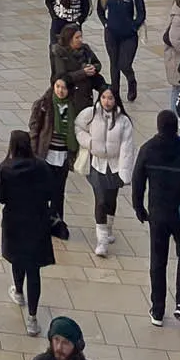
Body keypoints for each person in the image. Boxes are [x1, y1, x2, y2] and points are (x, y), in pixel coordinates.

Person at [133, 107, 180, 328]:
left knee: (158, 260)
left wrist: (139, 208)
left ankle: (157, 308)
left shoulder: (148, 149)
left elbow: (137, 181)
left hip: (158, 214)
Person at [0, 129, 55, 337]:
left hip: (14, 222)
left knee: (17, 259)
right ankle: (32, 317)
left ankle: (18, 291)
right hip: (37, 222)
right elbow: (51, 192)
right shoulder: (41, 166)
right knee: (34, 270)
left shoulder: (5, 168)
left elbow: (1, 197)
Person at [75, 87, 136, 257]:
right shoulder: (91, 114)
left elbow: (127, 148)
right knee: (100, 200)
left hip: (115, 166)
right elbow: (78, 127)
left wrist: (125, 172)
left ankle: (109, 229)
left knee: (110, 199)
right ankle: (101, 240)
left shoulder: (124, 121)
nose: (106, 101)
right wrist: (89, 142)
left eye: (110, 98)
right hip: (97, 165)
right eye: (103, 97)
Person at [29, 76, 80, 237]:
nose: (60, 90)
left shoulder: (73, 106)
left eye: (63, 87)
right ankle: (41, 220)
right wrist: (33, 151)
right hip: (46, 154)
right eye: (57, 86)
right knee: (44, 189)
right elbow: (34, 129)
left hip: (64, 155)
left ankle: (56, 221)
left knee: (59, 191)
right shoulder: (44, 104)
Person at [96, 0, 147, 101]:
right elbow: (100, 10)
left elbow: (141, 12)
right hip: (111, 34)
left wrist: (134, 26)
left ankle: (131, 80)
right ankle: (115, 91)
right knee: (114, 63)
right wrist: (105, 23)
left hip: (129, 35)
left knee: (124, 63)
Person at [52, 25, 105, 118]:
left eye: (81, 36)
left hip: (85, 94)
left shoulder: (85, 50)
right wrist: (83, 72)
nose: (80, 39)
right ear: (69, 39)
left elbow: (97, 64)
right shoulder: (60, 53)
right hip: (70, 95)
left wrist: (93, 68)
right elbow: (62, 76)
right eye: (77, 37)